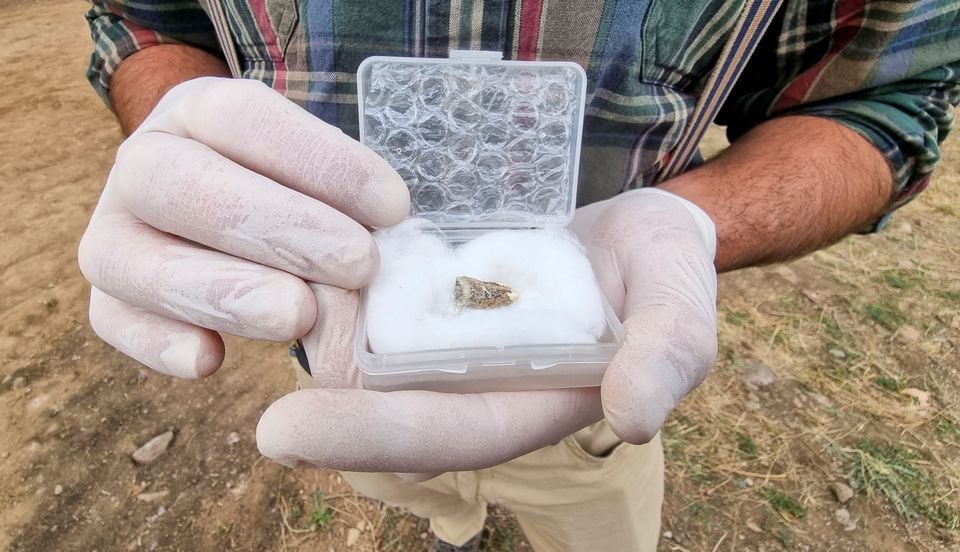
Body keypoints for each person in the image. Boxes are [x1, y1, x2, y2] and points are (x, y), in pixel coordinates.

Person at [79, 1, 959, 550]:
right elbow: (150, 20)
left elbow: (891, 94)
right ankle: (454, 530)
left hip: (590, 387)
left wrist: (692, 217)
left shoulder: (546, 283)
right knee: (400, 475)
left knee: (596, 514)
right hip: (349, 349)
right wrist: (181, 127)